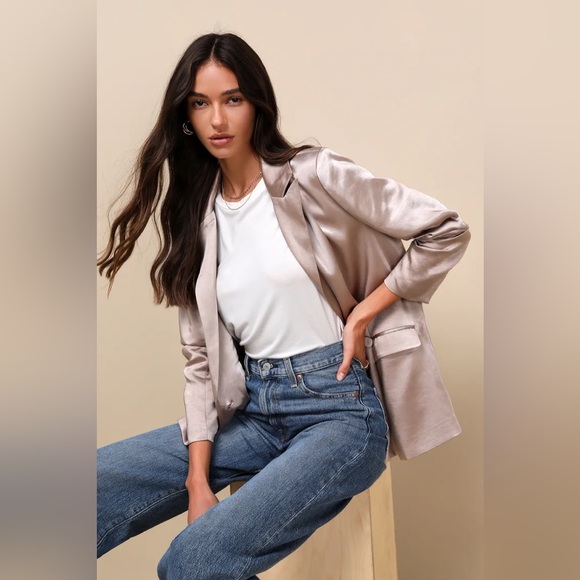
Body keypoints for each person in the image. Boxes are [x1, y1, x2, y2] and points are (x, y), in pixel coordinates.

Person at [97, 32, 471, 580]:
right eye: (200, 103)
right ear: (186, 117)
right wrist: (198, 484)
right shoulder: (196, 218)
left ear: (256, 104)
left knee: (192, 562)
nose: (218, 119)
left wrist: (365, 312)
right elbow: (200, 363)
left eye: (233, 99)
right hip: (255, 410)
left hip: (340, 411)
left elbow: (446, 231)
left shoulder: (313, 174)